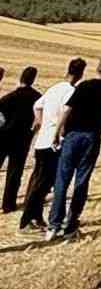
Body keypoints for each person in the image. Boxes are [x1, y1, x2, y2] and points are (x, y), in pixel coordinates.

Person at [48, 47, 101, 240]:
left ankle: (54, 224)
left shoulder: (84, 86)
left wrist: (56, 132)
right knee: (82, 180)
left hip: (73, 136)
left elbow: (67, 110)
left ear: (97, 68)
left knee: (62, 179)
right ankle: (70, 226)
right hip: (92, 138)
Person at [18, 59, 82, 232]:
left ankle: (35, 217)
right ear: (80, 74)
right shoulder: (71, 91)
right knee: (43, 185)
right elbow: (66, 114)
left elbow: (37, 105)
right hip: (54, 143)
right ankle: (27, 220)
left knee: (37, 181)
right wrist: (59, 132)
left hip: (42, 140)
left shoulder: (54, 88)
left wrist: (39, 122)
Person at [0, 67, 41, 214]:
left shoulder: (9, 97)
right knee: (14, 173)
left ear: (20, 78)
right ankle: (8, 204)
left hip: (3, 137)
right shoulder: (37, 98)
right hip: (22, 140)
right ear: (33, 79)